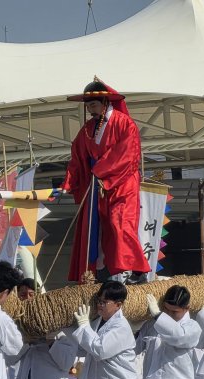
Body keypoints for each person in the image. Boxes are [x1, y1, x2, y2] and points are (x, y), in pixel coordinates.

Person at [60, 79, 150, 284]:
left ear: (105, 102)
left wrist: (101, 172)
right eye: (88, 105)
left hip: (122, 182)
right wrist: (69, 182)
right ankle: (103, 271)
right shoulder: (88, 128)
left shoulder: (124, 123)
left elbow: (127, 154)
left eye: (93, 104)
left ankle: (137, 270)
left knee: (120, 224)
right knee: (100, 227)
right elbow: (77, 156)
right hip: (97, 184)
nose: (90, 109)